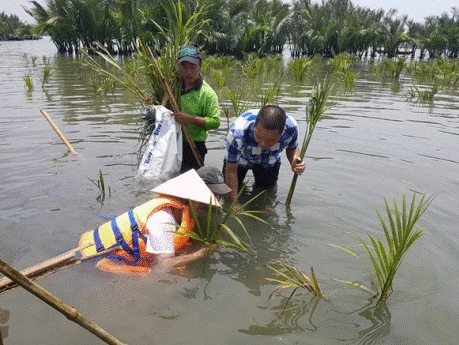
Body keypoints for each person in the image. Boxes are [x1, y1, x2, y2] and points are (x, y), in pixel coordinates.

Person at [79, 167, 231, 274]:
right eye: (212, 195)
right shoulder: (163, 219)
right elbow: (161, 268)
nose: (215, 200)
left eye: (218, 196)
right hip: (96, 259)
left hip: (101, 246)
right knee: (164, 273)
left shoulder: (181, 209)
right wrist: (200, 253)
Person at [223, 105, 306, 202]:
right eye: (259, 137)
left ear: (281, 132)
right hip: (241, 159)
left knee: (265, 197)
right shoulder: (237, 133)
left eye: (271, 140)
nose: (263, 144)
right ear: (254, 127)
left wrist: (294, 160)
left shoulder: (291, 128)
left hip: (269, 160)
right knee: (228, 194)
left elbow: (292, 147)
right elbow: (231, 170)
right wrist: (234, 204)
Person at [172, 45, 221, 172]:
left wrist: (190, 119)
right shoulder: (172, 86)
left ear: (200, 66)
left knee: (189, 184)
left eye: (193, 67)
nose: (188, 72)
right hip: (172, 141)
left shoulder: (207, 93)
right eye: (184, 67)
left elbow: (215, 122)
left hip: (193, 145)